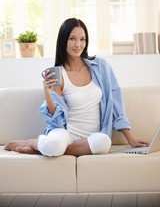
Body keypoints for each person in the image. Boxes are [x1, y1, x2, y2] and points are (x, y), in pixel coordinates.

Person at [5, 18, 149, 157]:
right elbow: (57, 121)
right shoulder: (58, 74)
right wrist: (47, 95)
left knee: (104, 142)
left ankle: (41, 150)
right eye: (72, 39)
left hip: (92, 138)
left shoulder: (101, 67)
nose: (78, 44)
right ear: (63, 41)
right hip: (65, 134)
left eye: (82, 39)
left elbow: (117, 105)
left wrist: (131, 139)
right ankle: (35, 142)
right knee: (53, 145)